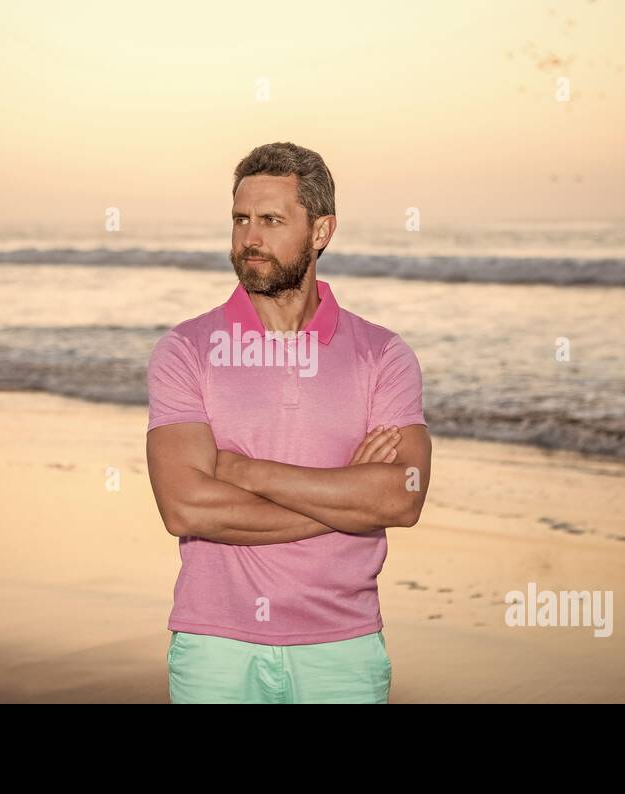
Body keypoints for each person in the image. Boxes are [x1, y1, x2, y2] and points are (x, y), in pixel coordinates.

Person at [145, 141, 432, 703]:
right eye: (240, 220)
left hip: (342, 649)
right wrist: (343, 497)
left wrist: (242, 471)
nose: (249, 239)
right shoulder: (187, 350)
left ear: (321, 232)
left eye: (272, 220)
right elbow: (185, 507)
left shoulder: (382, 355)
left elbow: (402, 498)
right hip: (214, 645)